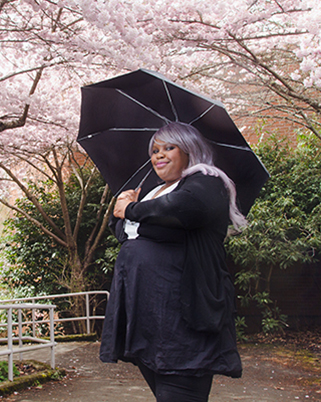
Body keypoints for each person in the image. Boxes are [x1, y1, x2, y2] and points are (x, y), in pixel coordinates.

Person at [99, 122, 246, 402]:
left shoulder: (207, 181)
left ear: (190, 151)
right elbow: (122, 232)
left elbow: (185, 209)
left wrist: (130, 209)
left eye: (169, 147)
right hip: (146, 318)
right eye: (154, 150)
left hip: (182, 320)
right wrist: (125, 205)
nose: (159, 155)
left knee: (180, 392)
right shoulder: (156, 191)